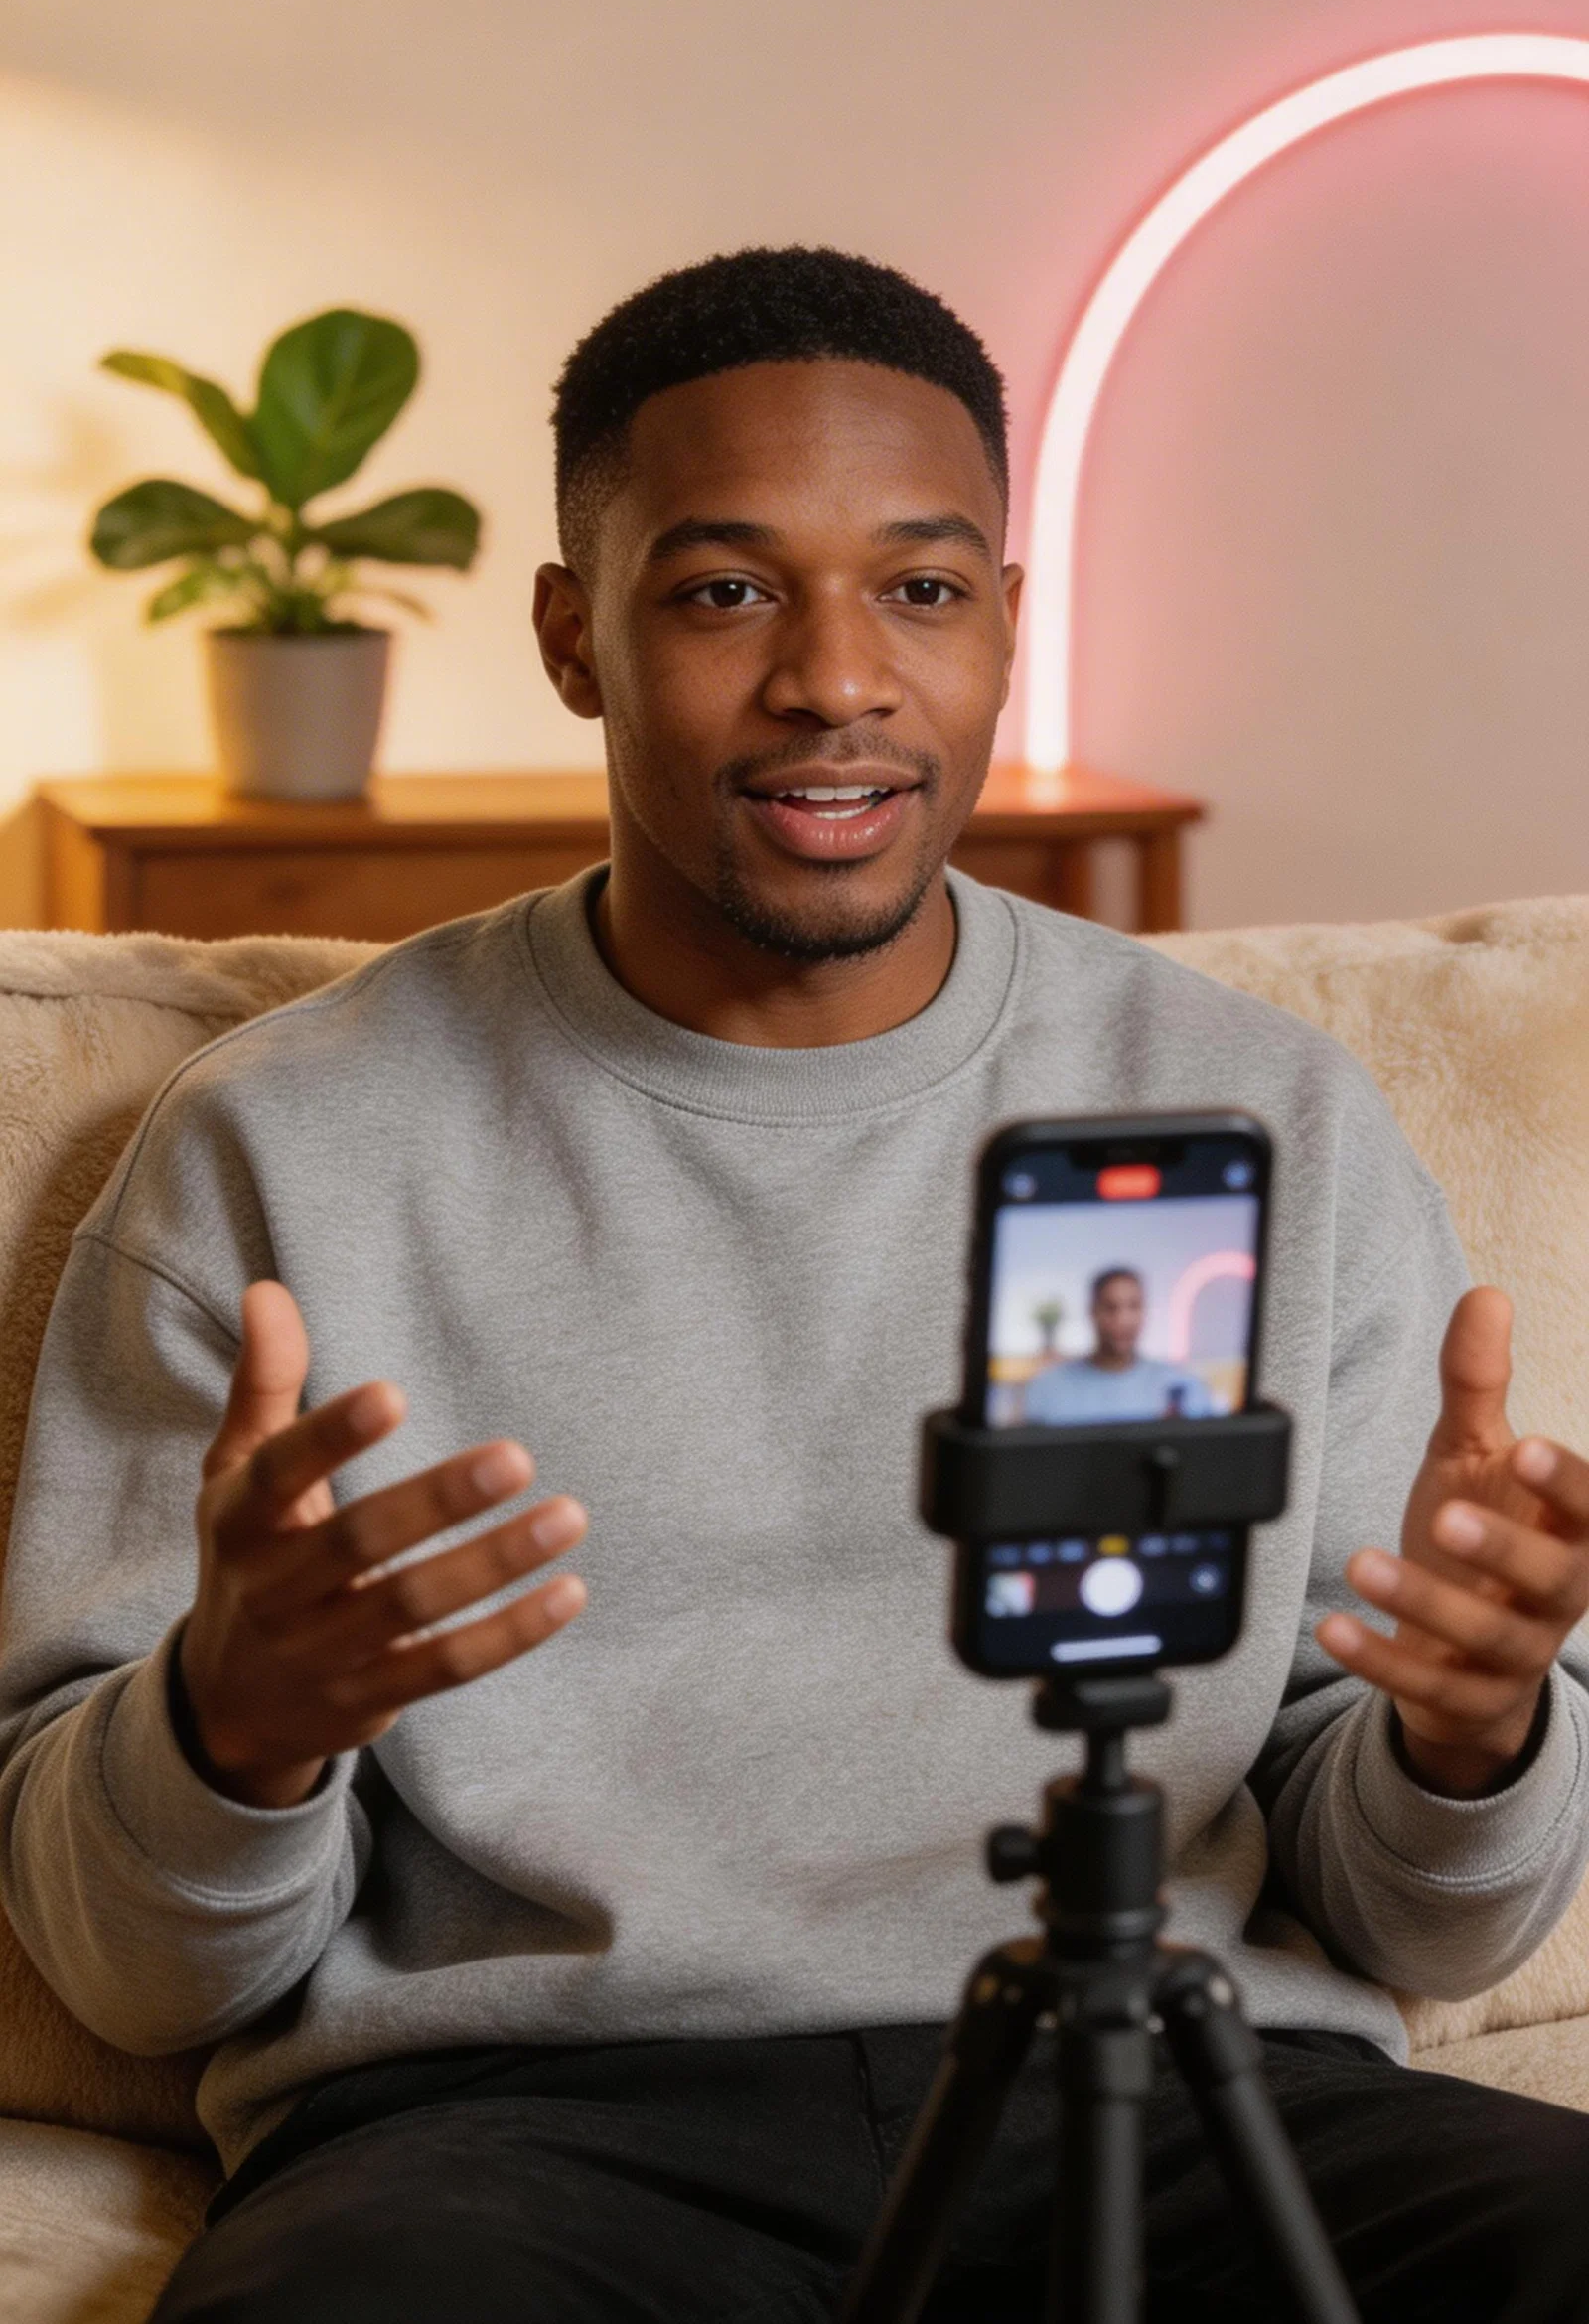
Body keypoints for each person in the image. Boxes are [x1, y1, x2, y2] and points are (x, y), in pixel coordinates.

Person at [2, 247, 1589, 2324]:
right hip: (526, 2129)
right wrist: (235, 1728)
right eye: (726, 589)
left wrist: (1472, 1740)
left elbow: (1420, 1923)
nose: (837, 679)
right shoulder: (285, 1141)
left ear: (1005, 620)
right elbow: (130, 1972)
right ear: (572, 636)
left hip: (1182, 2080)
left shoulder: (1258, 1117)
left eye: (920, 587)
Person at [1023, 1264, 1218, 1422]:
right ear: (1093, 1312)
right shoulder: (1049, 1388)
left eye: (1134, 1307)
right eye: (1111, 1308)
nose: (1123, 1320)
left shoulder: (1182, 1385)